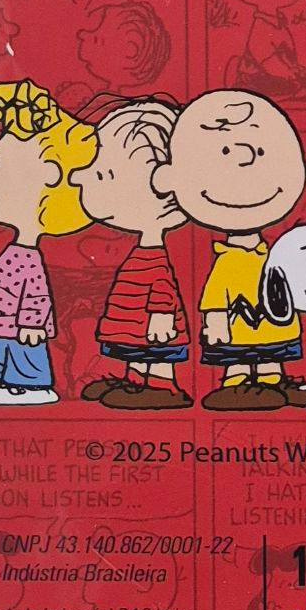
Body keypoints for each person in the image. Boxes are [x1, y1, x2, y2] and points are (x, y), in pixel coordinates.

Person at [153, 89, 306, 410]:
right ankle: (237, 382)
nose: (244, 160)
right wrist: (215, 319)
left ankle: (272, 380)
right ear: (169, 179)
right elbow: (217, 292)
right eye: (225, 151)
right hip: (238, 328)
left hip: (275, 326)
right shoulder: (227, 261)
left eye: (261, 151)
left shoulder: (275, 255)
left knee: (272, 359)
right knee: (238, 360)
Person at [0, 79, 95, 405]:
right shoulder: (16, 251)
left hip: (17, 325)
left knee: (21, 350)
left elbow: (36, 292)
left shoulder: (28, 258)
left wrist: (32, 323)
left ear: (48, 177)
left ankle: (32, 386)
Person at [70, 97, 191, 409]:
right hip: (136, 326)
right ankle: (136, 381)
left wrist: (162, 317)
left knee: (156, 354)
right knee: (138, 352)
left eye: (104, 174)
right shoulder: (141, 254)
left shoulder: (154, 258)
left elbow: (162, 287)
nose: (78, 177)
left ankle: (163, 386)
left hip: (154, 327)